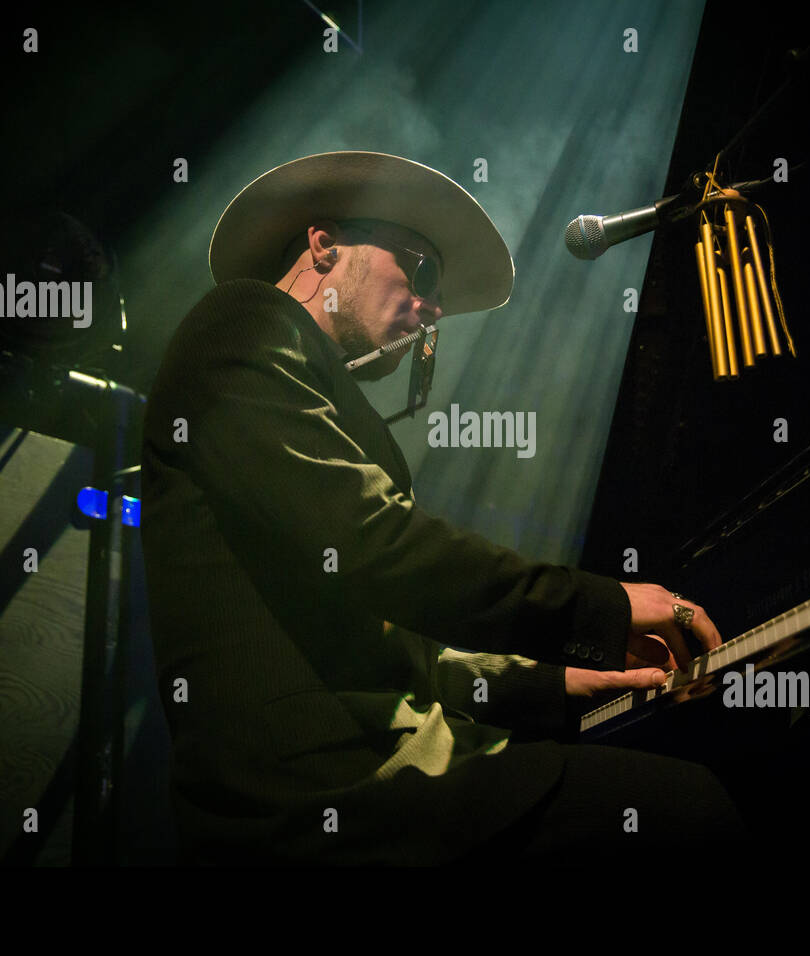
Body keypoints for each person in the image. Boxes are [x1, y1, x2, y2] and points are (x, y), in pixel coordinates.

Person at [140, 150, 746, 864]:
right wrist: (600, 610)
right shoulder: (241, 323)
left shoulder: (324, 402)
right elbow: (377, 545)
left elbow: (404, 650)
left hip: (384, 778)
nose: (432, 312)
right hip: (322, 794)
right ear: (324, 245)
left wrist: (555, 685)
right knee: (689, 809)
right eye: (422, 273)